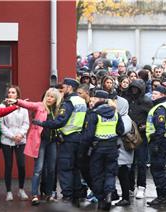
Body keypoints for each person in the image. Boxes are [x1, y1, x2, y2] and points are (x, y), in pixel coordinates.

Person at [32, 78, 87, 207]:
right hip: (78, 138)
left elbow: (60, 121)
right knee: (75, 168)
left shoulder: (69, 102)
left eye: (64, 87)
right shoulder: (82, 101)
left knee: (65, 168)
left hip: (67, 139)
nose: (62, 89)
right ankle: (76, 195)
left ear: (70, 88)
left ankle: (67, 196)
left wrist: (42, 123)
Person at [11, 88, 62, 205]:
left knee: (51, 169)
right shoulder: (40, 106)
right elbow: (28, 104)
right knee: (38, 169)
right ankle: (34, 195)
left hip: (52, 142)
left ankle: (49, 194)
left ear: (56, 99)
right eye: (48, 96)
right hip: (41, 142)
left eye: (52, 96)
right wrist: (17, 101)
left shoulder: (58, 110)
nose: (49, 98)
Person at [79, 90, 124, 210]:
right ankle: (109, 194)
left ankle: (100, 199)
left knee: (97, 174)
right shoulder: (115, 113)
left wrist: (82, 151)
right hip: (112, 148)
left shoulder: (94, 114)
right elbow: (121, 130)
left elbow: (88, 136)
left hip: (98, 148)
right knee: (110, 173)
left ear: (99, 100)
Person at [146, 86, 166, 206]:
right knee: (158, 169)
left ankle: (165, 194)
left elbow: (160, 128)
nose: (153, 95)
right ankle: (162, 195)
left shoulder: (161, 108)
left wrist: (156, 143)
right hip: (164, 141)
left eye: (156, 93)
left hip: (160, 142)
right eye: (153, 93)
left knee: (157, 170)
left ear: (162, 95)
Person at [0, 86, 29, 201]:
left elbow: (26, 124)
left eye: (13, 92)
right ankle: (9, 191)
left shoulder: (23, 107)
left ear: (17, 95)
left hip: (20, 139)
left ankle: (21, 189)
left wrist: (20, 135)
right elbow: (2, 126)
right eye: (9, 92)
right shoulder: (2, 106)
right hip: (7, 140)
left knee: (21, 164)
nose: (10, 94)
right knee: (8, 165)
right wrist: (12, 136)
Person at [125, 79, 153, 199]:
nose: (134, 90)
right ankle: (130, 187)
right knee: (129, 163)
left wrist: (145, 126)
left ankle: (141, 187)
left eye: (136, 88)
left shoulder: (147, 101)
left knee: (141, 163)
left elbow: (151, 117)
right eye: (133, 88)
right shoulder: (128, 99)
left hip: (141, 136)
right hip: (129, 135)